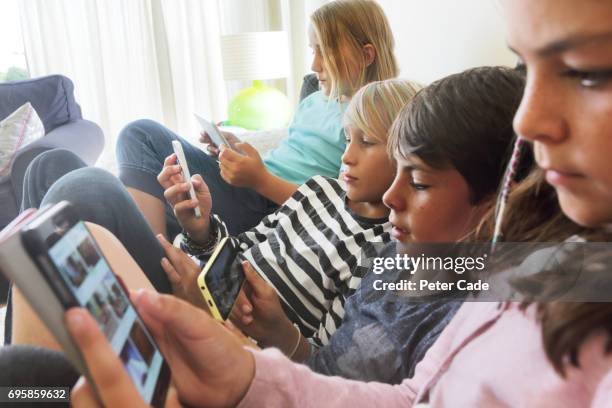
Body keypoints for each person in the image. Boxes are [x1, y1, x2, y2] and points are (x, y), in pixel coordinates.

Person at [67, 0, 612, 406]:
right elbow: (405, 391)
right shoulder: (441, 263)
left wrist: (249, 347)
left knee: (83, 195)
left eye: (588, 72)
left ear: (492, 203)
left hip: (247, 338)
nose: (529, 122)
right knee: (34, 367)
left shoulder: (449, 272)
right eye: (526, 68)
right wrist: (249, 361)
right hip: (251, 345)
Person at [225, 67, 526, 382]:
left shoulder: (475, 313)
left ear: (494, 208)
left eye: (420, 183)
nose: (392, 196)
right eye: (398, 171)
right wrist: (280, 335)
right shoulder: (393, 256)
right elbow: (326, 368)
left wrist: (253, 370)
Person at [116, 0, 398, 238]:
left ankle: (156, 259)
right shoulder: (314, 99)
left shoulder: (368, 120)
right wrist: (239, 153)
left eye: (327, 50)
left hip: (273, 206)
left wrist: (260, 179)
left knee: (140, 136)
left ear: (366, 55)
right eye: (313, 49)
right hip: (255, 186)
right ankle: (155, 247)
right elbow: (293, 155)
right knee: (135, 187)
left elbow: (342, 203)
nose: (314, 65)